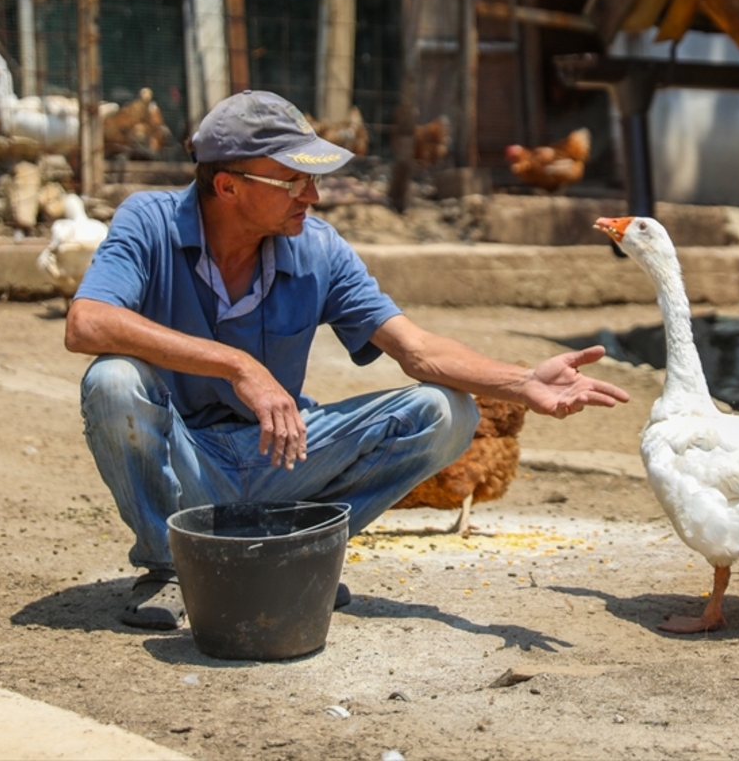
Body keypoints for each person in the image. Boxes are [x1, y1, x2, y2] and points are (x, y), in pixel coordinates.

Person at [65, 90, 630, 628]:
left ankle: (296, 553)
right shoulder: (149, 221)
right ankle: (171, 566)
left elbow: (417, 350)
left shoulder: (319, 246)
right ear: (228, 186)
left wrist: (525, 379)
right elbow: (87, 322)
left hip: (281, 453)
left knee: (447, 413)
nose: (312, 197)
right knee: (113, 381)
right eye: (293, 181)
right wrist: (238, 365)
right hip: (184, 457)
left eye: (313, 180)